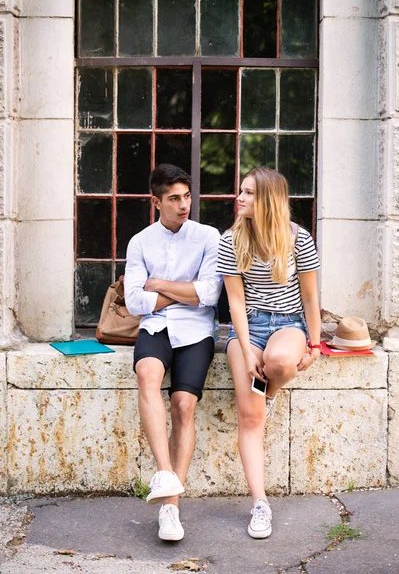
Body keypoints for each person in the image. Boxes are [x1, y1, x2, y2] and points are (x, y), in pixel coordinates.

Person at [216, 167, 321, 540]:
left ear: (269, 199)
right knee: (249, 417)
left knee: (277, 363)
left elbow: (309, 296)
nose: (240, 198)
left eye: (248, 193)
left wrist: (314, 342)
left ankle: (268, 394)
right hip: (248, 328)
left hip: (288, 323)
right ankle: (260, 503)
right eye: (240, 191)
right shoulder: (231, 240)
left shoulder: (298, 238)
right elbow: (235, 304)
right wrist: (246, 353)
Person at [124, 164, 222, 542]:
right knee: (147, 374)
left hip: (196, 331)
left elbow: (210, 294)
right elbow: (135, 302)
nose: (184, 205)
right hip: (154, 327)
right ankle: (165, 476)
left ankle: (171, 509)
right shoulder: (140, 242)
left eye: (187, 196)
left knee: (183, 406)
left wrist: (160, 286)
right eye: (174, 198)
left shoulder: (208, 237)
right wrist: (186, 290)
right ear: (156, 202)